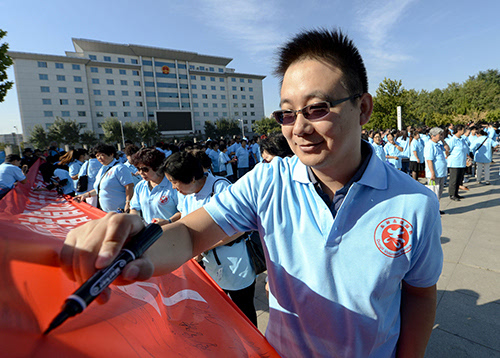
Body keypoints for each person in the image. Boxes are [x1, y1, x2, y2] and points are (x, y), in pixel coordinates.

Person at [62, 29, 443, 357]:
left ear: (363, 108)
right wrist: (134, 243)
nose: (299, 129)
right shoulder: (267, 181)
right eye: (287, 114)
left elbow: (420, 295)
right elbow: (192, 233)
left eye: (316, 109)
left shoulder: (414, 203)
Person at [162, 151, 257, 325]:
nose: (174, 187)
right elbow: (185, 217)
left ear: (191, 178)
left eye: (174, 182)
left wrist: (203, 246)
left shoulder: (220, 188)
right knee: (220, 312)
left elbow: (238, 230)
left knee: (244, 315)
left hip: (233, 263)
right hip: (209, 267)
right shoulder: (187, 194)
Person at [74, 143, 134, 212]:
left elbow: (129, 186)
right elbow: (99, 189)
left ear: (111, 154)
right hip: (106, 211)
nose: (99, 158)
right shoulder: (102, 169)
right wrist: (84, 195)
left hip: (120, 210)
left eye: (102, 155)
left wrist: (128, 203)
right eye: (97, 156)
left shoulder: (120, 168)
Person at [129, 147, 179, 225]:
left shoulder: (173, 185)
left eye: (145, 169)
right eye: (138, 169)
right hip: (150, 234)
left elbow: (183, 211)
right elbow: (134, 208)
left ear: (157, 167)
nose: (141, 172)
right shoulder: (140, 186)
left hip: (171, 231)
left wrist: (168, 221)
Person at [424, 127, 449, 214]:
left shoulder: (438, 144)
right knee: (433, 193)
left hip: (441, 173)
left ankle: (436, 209)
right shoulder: (430, 145)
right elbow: (429, 160)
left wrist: (443, 141)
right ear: (433, 136)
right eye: (440, 135)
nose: (441, 136)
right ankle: (432, 211)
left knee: (439, 193)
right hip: (433, 175)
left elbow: (447, 149)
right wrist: (432, 173)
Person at [446, 124, 469, 201]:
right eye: (463, 130)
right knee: (454, 180)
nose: (464, 131)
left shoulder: (462, 139)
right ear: (459, 130)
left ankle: (456, 193)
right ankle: (452, 194)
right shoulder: (453, 140)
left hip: (462, 162)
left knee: (459, 179)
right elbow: (448, 150)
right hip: (455, 163)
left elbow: (466, 149)